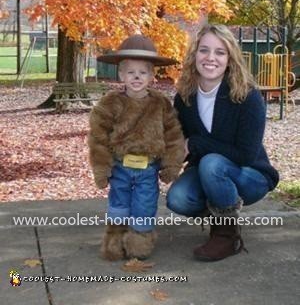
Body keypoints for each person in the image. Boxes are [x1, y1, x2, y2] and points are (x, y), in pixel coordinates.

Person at [167, 24, 279, 262]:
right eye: (204, 50)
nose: (210, 58)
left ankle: (227, 235)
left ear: (230, 59)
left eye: (220, 52)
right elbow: (180, 143)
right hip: (209, 171)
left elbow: (245, 155)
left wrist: (196, 143)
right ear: (194, 55)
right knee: (177, 198)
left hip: (251, 176)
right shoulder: (185, 97)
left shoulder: (247, 96)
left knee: (211, 163)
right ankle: (219, 200)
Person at [88, 34, 185, 260]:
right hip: (120, 167)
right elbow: (98, 138)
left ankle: (139, 242)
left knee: (144, 204)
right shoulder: (109, 103)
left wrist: (171, 165)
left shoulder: (161, 104)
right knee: (118, 204)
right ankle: (114, 241)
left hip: (148, 168)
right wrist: (102, 168)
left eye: (142, 72)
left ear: (152, 75)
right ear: (121, 74)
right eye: (130, 72)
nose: (136, 77)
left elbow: (173, 136)